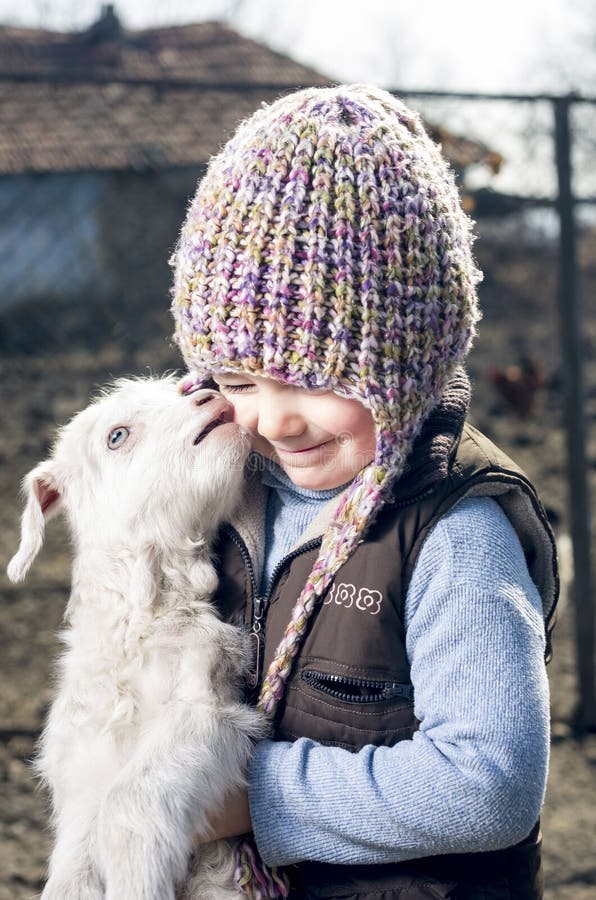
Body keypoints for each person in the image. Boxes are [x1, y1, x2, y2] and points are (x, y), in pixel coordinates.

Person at [170, 85, 558, 900]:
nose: (273, 417)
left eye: (315, 380)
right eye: (237, 377)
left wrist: (247, 797)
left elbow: (489, 785)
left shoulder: (455, 536)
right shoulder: (229, 490)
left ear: (409, 361)